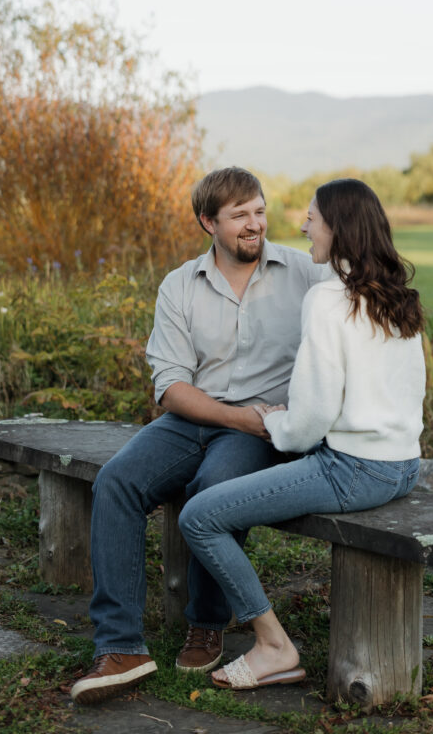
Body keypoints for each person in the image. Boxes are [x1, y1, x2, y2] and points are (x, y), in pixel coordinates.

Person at [71, 166, 324, 705]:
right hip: (195, 419)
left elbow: (359, 309)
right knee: (116, 482)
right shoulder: (180, 284)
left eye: (259, 211)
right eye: (239, 216)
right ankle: (121, 647)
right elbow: (170, 387)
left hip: (263, 429)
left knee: (211, 490)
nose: (254, 225)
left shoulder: (305, 273)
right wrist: (239, 417)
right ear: (208, 222)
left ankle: (207, 624)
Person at [178, 178, 426, 690]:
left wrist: (272, 422)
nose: (302, 226)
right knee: (219, 495)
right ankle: (261, 638)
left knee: (200, 516)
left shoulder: (328, 299)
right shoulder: (396, 295)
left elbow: (310, 420)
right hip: (405, 465)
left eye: (312, 218)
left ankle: (272, 644)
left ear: (337, 227)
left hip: (354, 470)